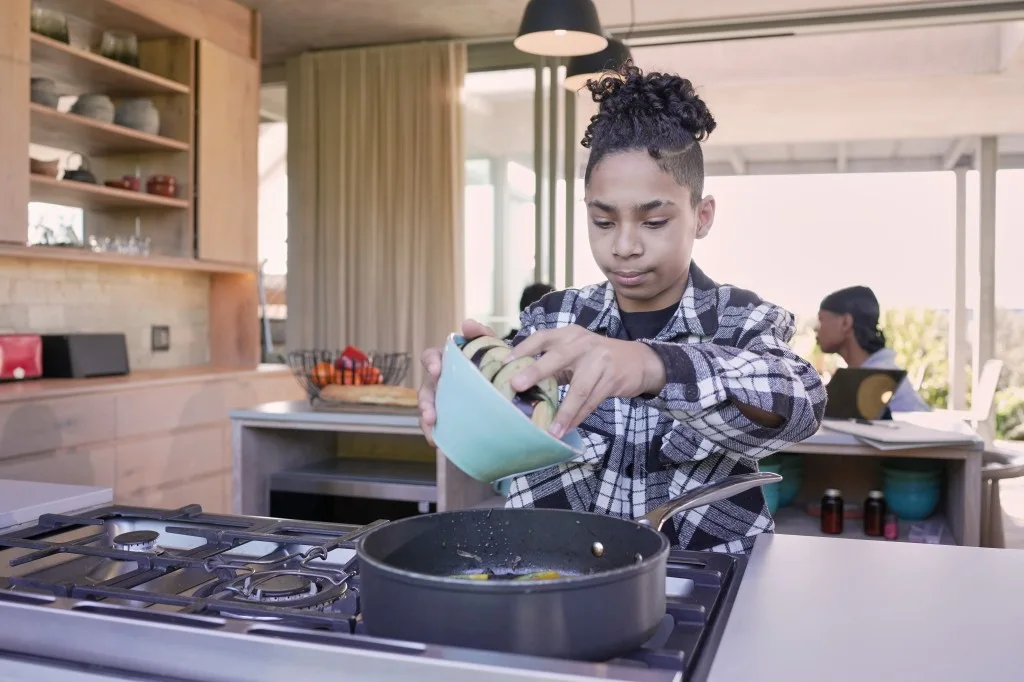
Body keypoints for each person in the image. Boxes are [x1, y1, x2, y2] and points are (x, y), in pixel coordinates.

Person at [419, 64, 826, 554]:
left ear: (702, 216)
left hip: (704, 584)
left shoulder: (744, 321)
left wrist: (652, 365)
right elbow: (499, 411)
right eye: (603, 221)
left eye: (653, 221)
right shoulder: (550, 321)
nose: (625, 246)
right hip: (556, 577)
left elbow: (801, 402)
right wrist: (458, 387)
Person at [815, 285, 931, 413]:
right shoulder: (876, 371)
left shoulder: (876, 375)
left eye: (821, 320)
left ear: (846, 323)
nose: (816, 328)